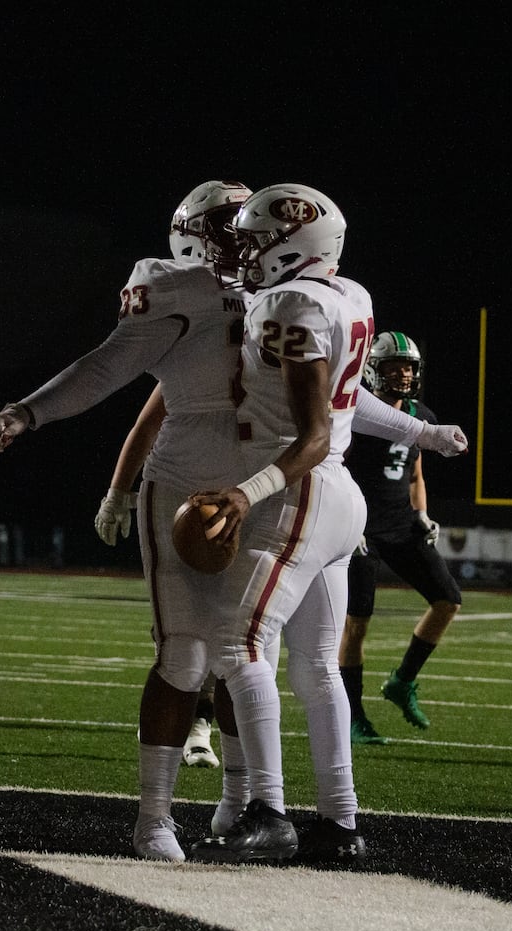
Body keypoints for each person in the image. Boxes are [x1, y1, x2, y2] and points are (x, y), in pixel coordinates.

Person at [186, 185, 468, 864]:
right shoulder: (350, 295)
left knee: (236, 645)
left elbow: (314, 432)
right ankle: (340, 825)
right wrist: (420, 431)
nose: (244, 254)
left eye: (256, 242)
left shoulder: (288, 304)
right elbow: (352, 401)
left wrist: (243, 493)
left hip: (296, 490)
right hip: (336, 498)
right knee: (315, 666)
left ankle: (268, 810)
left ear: (296, 242)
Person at [0, 179, 262, 862]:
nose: (249, 236)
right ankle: (153, 818)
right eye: (234, 224)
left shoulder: (293, 291)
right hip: (191, 478)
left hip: (265, 481)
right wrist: (31, 409)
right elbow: (108, 365)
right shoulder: (173, 285)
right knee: (185, 651)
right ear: (197, 232)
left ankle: (239, 806)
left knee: (248, 657)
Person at [338, 331, 462, 743]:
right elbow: (334, 466)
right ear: (374, 369)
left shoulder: (420, 413)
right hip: (362, 529)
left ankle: (402, 681)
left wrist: (423, 514)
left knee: (448, 600)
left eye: (408, 367)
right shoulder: (359, 414)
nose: (404, 374)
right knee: (357, 625)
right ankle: (353, 716)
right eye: (394, 367)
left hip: (402, 524)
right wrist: (345, 523)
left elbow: (415, 472)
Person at [94, 382, 220, 769]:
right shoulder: (197, 354)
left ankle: (204, 728)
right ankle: (191, 724)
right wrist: (117, 492)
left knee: (233, 627)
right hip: (178, 491)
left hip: (247, 496)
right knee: (177, 625)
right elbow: (145, 425)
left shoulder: (273, 358)